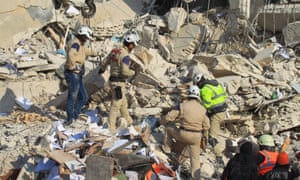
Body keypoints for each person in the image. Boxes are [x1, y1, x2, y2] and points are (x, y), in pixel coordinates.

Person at [160, 85, 210, 179]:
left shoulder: (182, 106)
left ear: (188, 95)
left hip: (184, 134)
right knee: (195, 160)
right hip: (196, 137)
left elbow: (169, 117)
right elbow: (207, 126)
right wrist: (205, 138)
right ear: (198, 96)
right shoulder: (203, 109)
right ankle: (196, 177)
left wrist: (161, 121)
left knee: (168, 128)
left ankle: (167, 149)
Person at [98, 30, 140, 133]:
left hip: (112, 81)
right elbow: (125, 71)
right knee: (115, 106)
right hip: (119, 83)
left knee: (123, 104)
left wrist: (102, 69)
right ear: (130, 45)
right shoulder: (125, 56)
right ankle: (110, 128)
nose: (133, 47)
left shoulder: (114, 51)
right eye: (133, 45)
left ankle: (130, 122)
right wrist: (133, 72)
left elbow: (105, 62)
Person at [64, 25, 97, 125]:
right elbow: (71, 54)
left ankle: (75, 115)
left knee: (83, 97)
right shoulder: (75, 44)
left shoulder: (80, 44)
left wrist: (95, 52)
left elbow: (84, 52)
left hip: (77, 75)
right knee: (72, 97)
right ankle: (70, 118)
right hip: (73, 74)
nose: (87, 40)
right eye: (86, 37)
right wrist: (73, 66)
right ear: (82, 35)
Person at [193, 74, 228, 166]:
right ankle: (203, 147)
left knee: (212, 138)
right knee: (206, 129)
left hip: (215, 114)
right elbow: (224, 96)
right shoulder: (216, 84)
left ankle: (219, 158)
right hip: (222, 111)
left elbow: (207, 104)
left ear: (199, 82)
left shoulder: (204, 89)